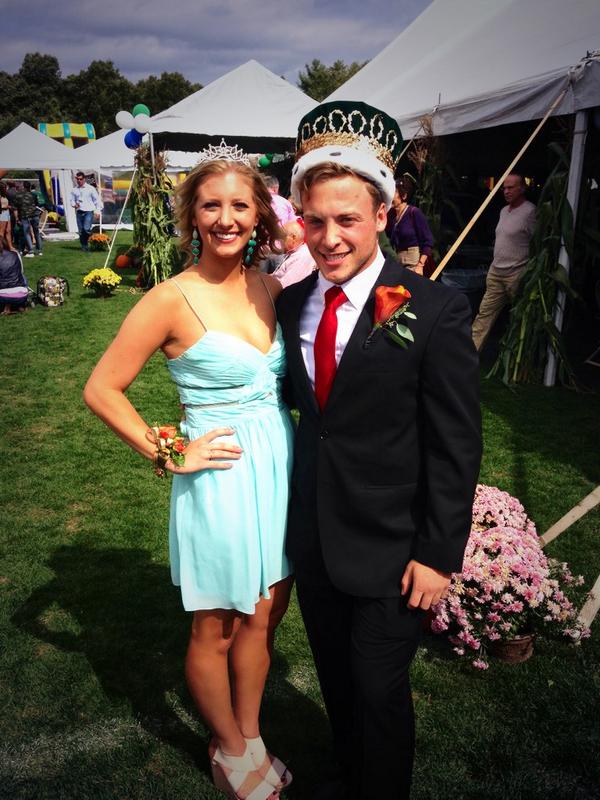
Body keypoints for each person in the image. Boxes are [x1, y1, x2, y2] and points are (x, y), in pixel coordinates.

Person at [277, 101, 482, 800]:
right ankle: (349, 774)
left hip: (396, 549)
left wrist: (439, 554)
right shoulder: (292, 302)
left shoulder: (434, 309)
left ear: (383, 216)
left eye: (347, 220)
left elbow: (456, 444)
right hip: (317, 537)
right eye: (315, 220)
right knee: (337, 678)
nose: (329, 237)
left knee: (378, 687)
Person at [83, 148, 295, 800]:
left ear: (258, 212)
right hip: (220, 477)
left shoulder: (272, 287)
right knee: (216, 624)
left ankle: (251, 734)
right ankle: (228, 750)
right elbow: (102, 388)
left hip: (279, 468)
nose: (227, 218)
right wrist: (170, 451)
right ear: (193, 216)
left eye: (240, 204)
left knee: (265, 614)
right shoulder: (168, 299)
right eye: (212, 205)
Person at [471, 173, 536, 351]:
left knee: (520, 317)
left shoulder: (530, 211)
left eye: (511, 187)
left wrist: (528, 269)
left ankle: (520, 357)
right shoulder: (503, 211)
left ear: (522, 188)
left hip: (517, 274)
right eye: (504, 188)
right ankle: (468, 355)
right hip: (496, 272)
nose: (506, 191)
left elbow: (537, 242)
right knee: (483, 315)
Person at [386, 177, 434, 275]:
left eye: (394, 192)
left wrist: (420, 265)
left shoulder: (414, 212)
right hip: (397, 261)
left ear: (404, 196)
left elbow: (428, 241)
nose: (390, 196)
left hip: (413, 262)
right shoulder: (391, 215)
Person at [271, 220, 316, 288]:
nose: (280, 242)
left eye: (282, 238)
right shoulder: (296, 252)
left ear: (293, 237)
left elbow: (285, 286)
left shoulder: (303, 255)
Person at [70, 171, 103, 251]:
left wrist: (98, 211)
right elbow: (71, 200)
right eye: (77, 179)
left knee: (86, 228)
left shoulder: (90, 189)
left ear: (84, 179)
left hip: (89, 211)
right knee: (81, 231)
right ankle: (84, 246)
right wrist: (74, 204)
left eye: (80, 179)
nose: (79, 181)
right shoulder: (74, 190)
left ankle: (91, 239)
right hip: (79, 211)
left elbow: (97, 200)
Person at [0, 234, 29, 314]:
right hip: (21, 294)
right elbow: (21, 271)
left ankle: (8, 306)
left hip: (2, 296)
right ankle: (18, 305)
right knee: (22, 276)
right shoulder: (15, 254)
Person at [15, 181, 43, 257]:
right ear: (30, 187)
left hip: (25, 216)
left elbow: (17, 207)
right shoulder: (34, 195)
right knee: (36, 232)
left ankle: (31, 250)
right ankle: (40, 250)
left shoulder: (19, 196)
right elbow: (37, 204)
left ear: (24, 187)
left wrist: (17, 217)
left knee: (27, 233)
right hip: (35, 215)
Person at [0, 183, 15, 251]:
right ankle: (1, 247)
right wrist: (6, 207)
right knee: (1, 232)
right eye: (5, 188)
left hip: (7, 213)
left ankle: (10, 246)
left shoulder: (5, 195)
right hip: (2, 214)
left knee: (8, 231)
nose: (6, 189)